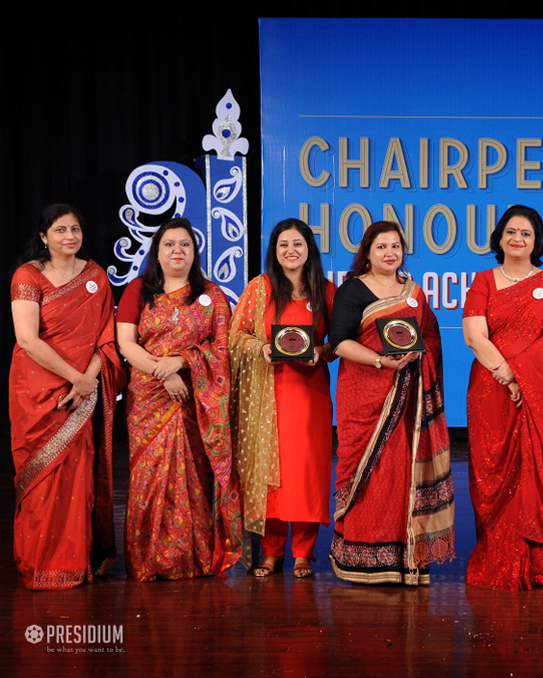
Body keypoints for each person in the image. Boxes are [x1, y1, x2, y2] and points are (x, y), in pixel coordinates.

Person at [116, 219, 243, 581]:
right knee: (148, 476)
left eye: (185, 245)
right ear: (157, 251)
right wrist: (165, 373)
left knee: (194, 478)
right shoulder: (139, 290)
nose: (177, 251)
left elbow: (222, 350)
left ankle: (196, 557)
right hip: (148, 399)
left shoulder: (212, 295)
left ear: (194, 252)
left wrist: (184, 362)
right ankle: (149, 560)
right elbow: (126, 344)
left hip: (195, 399)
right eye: (170, 244)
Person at [328, 221, 453, 585]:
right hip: (366, 397)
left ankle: (406, 555)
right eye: (381, 247)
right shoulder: (353, 290)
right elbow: (338, 342)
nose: (389, 253)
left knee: (403, 472)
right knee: (370, 474)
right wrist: (381, 361)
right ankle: (360, 556)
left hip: (408, 400)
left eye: (395, 246)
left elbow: (428, 338)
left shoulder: (414, 291)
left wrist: (419, 356)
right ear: (367, 253)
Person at [463, 204, 543, 591]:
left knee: (536, 476)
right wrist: (506, 374)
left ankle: (538, 563)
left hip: (538, 397)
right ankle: (497, 555)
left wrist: (520, 375)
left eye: (526, 233)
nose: (517, 238)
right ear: (499, 238)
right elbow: (475, 336)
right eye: (511, 231)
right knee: (492, 474)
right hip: (490, 395)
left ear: (537, 241)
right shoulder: (483, 281)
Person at [9, 204, 125, 590]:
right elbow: (27, 339)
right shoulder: (28, 276)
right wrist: (75, 378)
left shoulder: (96, 276)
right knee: (42, 479)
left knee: (77, 476)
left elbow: (106, 340)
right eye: (60, 230)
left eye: (75, 229)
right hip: (38, 390)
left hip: (81, 391)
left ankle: (74, 565)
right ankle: (41, 564)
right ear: (44, 237)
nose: (69, 237)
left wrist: (86, 382)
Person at [229, 219, 337, 578]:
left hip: (310, 396)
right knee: (269, 474)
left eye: (298, 243)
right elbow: (235, 336)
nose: (291, 250)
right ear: (274, 252)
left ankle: (304, 552)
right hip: (267, 395)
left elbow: (339, 341)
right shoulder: (259, 289)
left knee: (306, 473)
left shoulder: (326, 291)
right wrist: (260, 348)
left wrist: (320, 352)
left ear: (309, 250)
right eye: (283, 244)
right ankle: (271, 552)